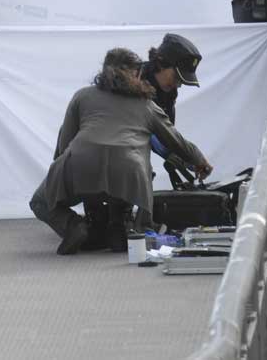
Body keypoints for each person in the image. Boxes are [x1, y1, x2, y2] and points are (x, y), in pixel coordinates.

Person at [28, 48, 212, 255]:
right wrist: (199, 160)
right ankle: (120, 225)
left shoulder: (82, 96)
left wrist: (59, 179)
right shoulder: (146, 105)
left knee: (39, 201)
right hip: (128, 173)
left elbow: (65, 144)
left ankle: (74, 226)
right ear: (137, 74)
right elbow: (175, 141)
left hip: (81, 163)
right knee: (131, 170)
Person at [141, 33, 205, 192]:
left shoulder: (169, 92)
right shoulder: (132, 80)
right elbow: (139, 124)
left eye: (181, 82)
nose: (178, 85)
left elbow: (167, 132)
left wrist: (186, 160)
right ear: (161, 64)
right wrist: (173, 153)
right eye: (177, 77)